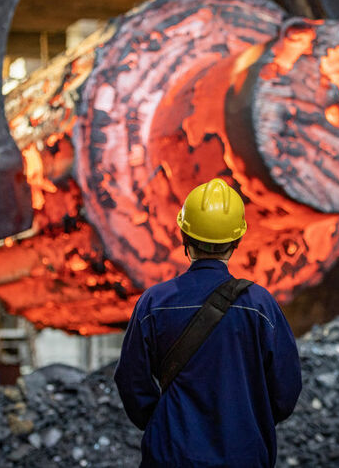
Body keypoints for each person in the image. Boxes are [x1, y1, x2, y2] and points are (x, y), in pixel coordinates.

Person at [114, 177, 302, 468]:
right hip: (243, 456)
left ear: (184, 236)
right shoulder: (259, 304)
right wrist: (250, 421)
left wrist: (162, 421)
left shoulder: (154, 303)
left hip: (171, 456)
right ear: (237, 240)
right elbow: (286, 388)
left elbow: (130, 381)